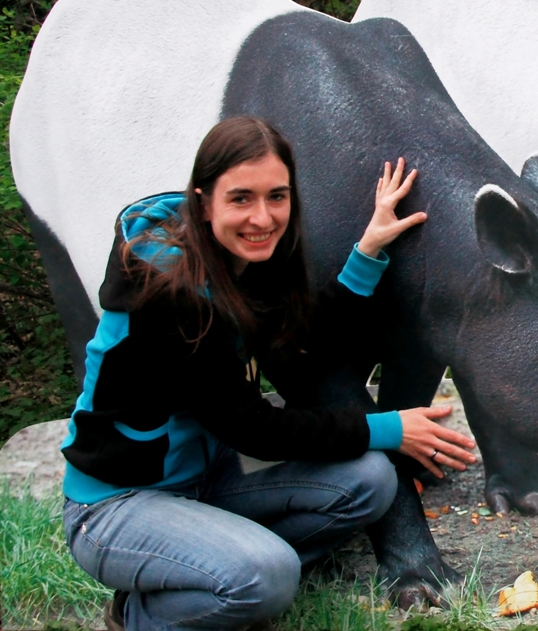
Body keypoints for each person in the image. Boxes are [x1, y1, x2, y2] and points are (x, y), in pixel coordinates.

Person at [59, 116, 477, 631]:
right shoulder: (170, 291)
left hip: (204, 479)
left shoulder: (240, 259)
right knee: (267, 577)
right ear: (203, 199)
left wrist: (369, 248)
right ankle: (143, 611)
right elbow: (252, 429)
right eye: (241, 198)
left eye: (276, 196)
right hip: (117, 504)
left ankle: (219, 572)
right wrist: (390, 428)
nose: (262, 217)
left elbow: (301, 340)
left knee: (370, 481)